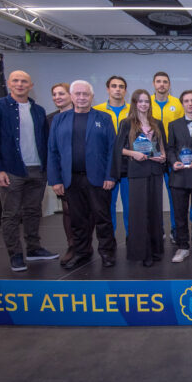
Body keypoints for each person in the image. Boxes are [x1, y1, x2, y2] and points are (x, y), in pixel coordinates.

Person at [0, 70, 57, 272]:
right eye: (16, 80)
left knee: (33, 211)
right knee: (11, 214)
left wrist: (48, 169)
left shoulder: (38, 110)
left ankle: (33, 248)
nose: (20, 84)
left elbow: (45, 140)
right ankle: (15, 254)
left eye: (24, 81)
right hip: (11, 170)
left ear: (31, 86)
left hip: (37, 169)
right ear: (8, 83)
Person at [48, 80, 117, 269]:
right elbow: (52, 150)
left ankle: (107, 253)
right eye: (77, 94)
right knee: (78, 220)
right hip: (71, 179)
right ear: (71, 96)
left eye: (85, 94)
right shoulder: (59, 120)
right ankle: (82, 253)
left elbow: (112, 150)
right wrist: (55, 180)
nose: (81, 97)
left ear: (92, 96)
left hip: (98, 179)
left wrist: (110, 176)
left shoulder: (104, 118)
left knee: (103, 218)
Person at [114, 89, 168, 267]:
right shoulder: (126, 123)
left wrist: (163, 157)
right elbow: (118, 148)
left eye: (146, 101)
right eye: (141, 101)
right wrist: (133, 153)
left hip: (155, 171)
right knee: (139, 212)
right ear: (135, 103)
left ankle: (156, 250)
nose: (144, 104)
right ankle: (142, 253)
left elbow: (162, 146)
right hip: (137, 172)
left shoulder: (157, 123)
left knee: (155, 211)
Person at [167, 90, 192, 263]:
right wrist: (173, 161)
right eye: (186, 101)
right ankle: (182, 246)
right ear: (182, 103)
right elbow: (170, 148)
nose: (190, 103)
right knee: (179, 213)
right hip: (179, 175)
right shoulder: (173, 125)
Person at [93, 75, 130, 233]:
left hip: (129, 164)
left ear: (125, 90)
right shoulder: (97, 111)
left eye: (121, 86)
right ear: (108, 89)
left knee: (131, 205)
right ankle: (109, 240)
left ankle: (132, 238)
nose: (117, 89)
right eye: (114, 86)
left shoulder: (133, 111)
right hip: (106, 166)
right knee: (107, 206)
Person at [46, 83, 78, 265]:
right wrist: (54, 178)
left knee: (86, 211)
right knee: (67, 210)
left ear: (71, 95)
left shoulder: (83, 115)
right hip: (63, 173)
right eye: (54, 94)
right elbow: (50, 150)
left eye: (61, 93)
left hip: (84, 172)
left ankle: (84, 245)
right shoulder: (50, 120)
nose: (57, 97)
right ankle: (72, 245)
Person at [151, 71, 183, 244]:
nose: (162, 84)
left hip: (172, 155)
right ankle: (157, 230)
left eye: (165, 81)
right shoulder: (147, 102)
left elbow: (181, 130)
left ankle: (175, 230)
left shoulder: (177, 104)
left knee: (175, 197)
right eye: (158, 81)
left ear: (169, 85)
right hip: (153, 156)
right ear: (154, 84)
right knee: (154, 197)